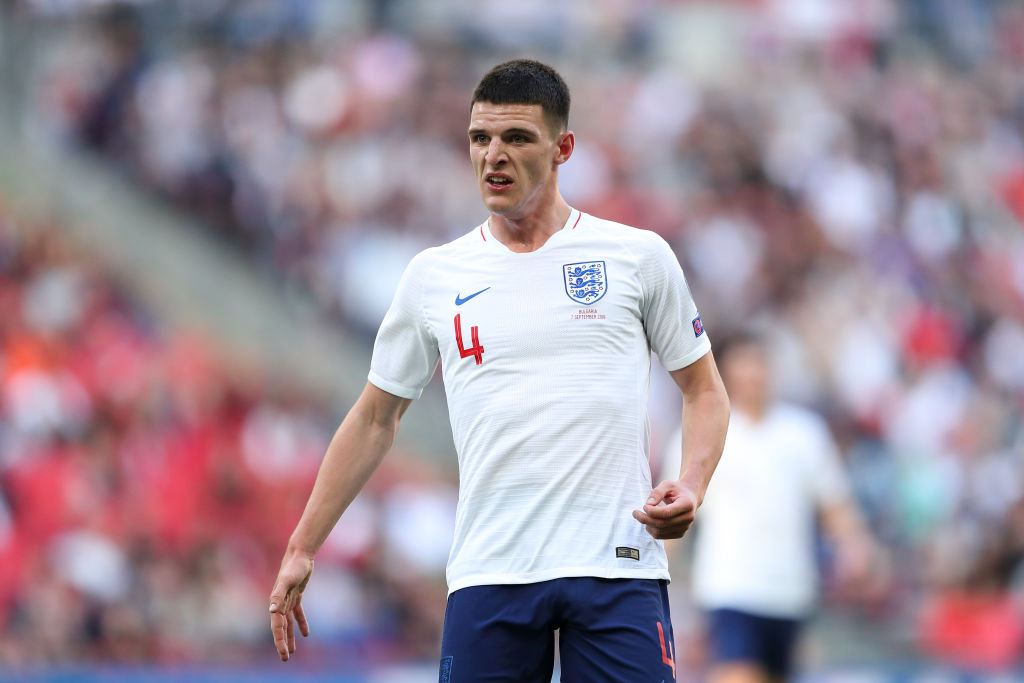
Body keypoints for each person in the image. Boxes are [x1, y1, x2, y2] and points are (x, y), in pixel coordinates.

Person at [268, 59, 730, 682]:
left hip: (617, 564)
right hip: (493, 570)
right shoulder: (435, 276)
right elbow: (375, 417)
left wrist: (693, 482)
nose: (494, 156)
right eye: (480, 138)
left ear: (563, 148)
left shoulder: (637, 257)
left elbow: (704, 390)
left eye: (516, 138)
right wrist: (303, 545)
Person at [664, 332, 877, 683]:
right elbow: (674, 514)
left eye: (759, 363)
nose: (753, 374)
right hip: (730, 588)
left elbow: (834, 504)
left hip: (790, 592)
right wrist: (655, 574)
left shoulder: (804, 433)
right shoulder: (702, 435)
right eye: (744, 365)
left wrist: (855, 546)